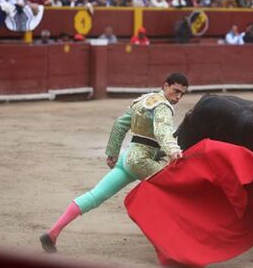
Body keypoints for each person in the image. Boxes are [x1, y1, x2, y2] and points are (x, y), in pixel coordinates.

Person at [40, 73, 189, 253]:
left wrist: (113, 153)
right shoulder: (163, 107)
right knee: (177, 191)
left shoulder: (144, 100)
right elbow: (162, 132)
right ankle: (176, 242)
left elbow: (120, 124)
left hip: (127, 159)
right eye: (176, 91)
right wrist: (173, 149)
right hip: (142, 161)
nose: (178, 96)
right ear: (165, 86)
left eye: (182, 93)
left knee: (95, 196)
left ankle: (52, 234)